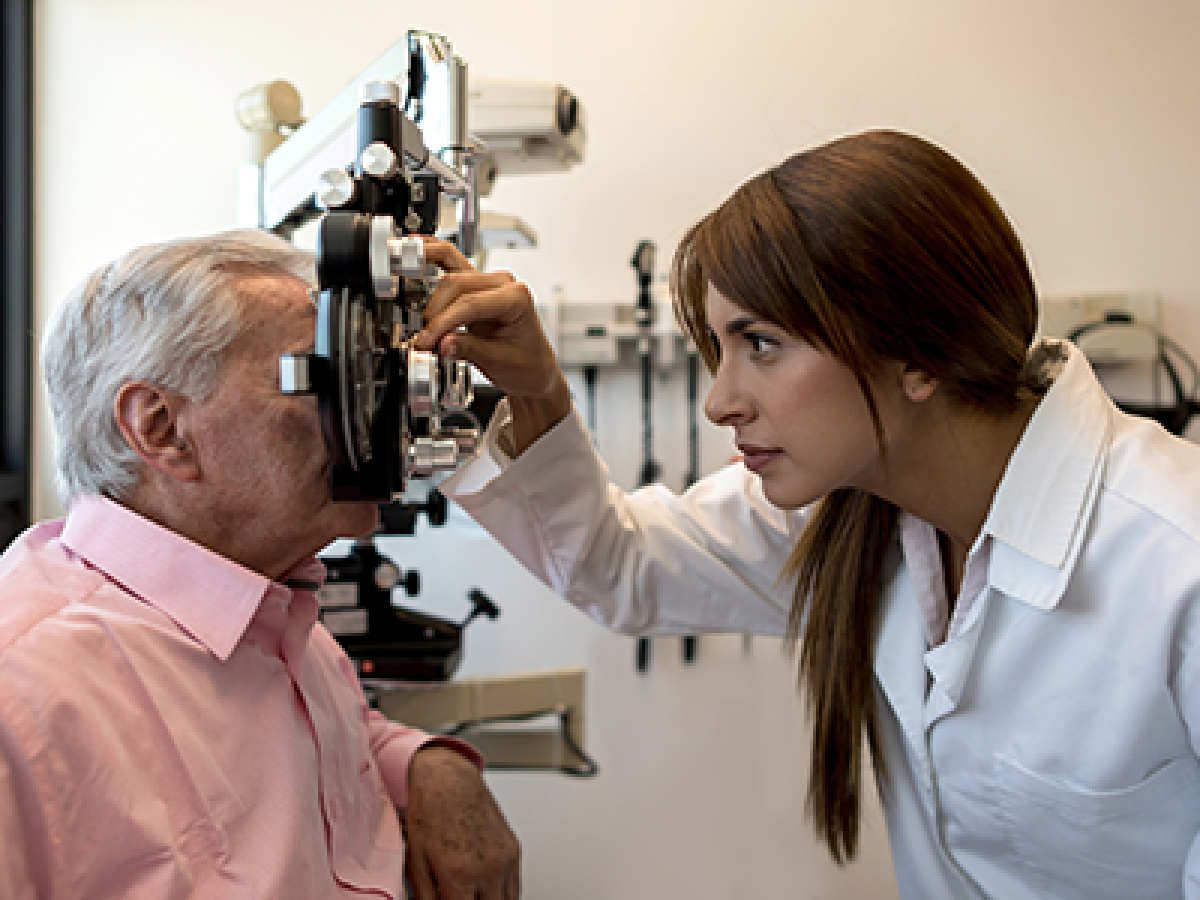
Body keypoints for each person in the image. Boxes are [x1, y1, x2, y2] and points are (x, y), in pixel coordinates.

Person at [413, 130, 1200, 898]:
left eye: (759, 344)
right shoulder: (856, 512)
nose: (720, 403)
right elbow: (618, 566)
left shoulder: (1175, 564)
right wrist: (536, 387)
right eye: (720, 349)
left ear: (918, 355)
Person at [0, 231, 520, 899]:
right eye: (325, 375)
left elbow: (317, 739)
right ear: (161, 429)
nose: (375, 414)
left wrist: (431, 765)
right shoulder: (24, 702)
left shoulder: (267, 600)